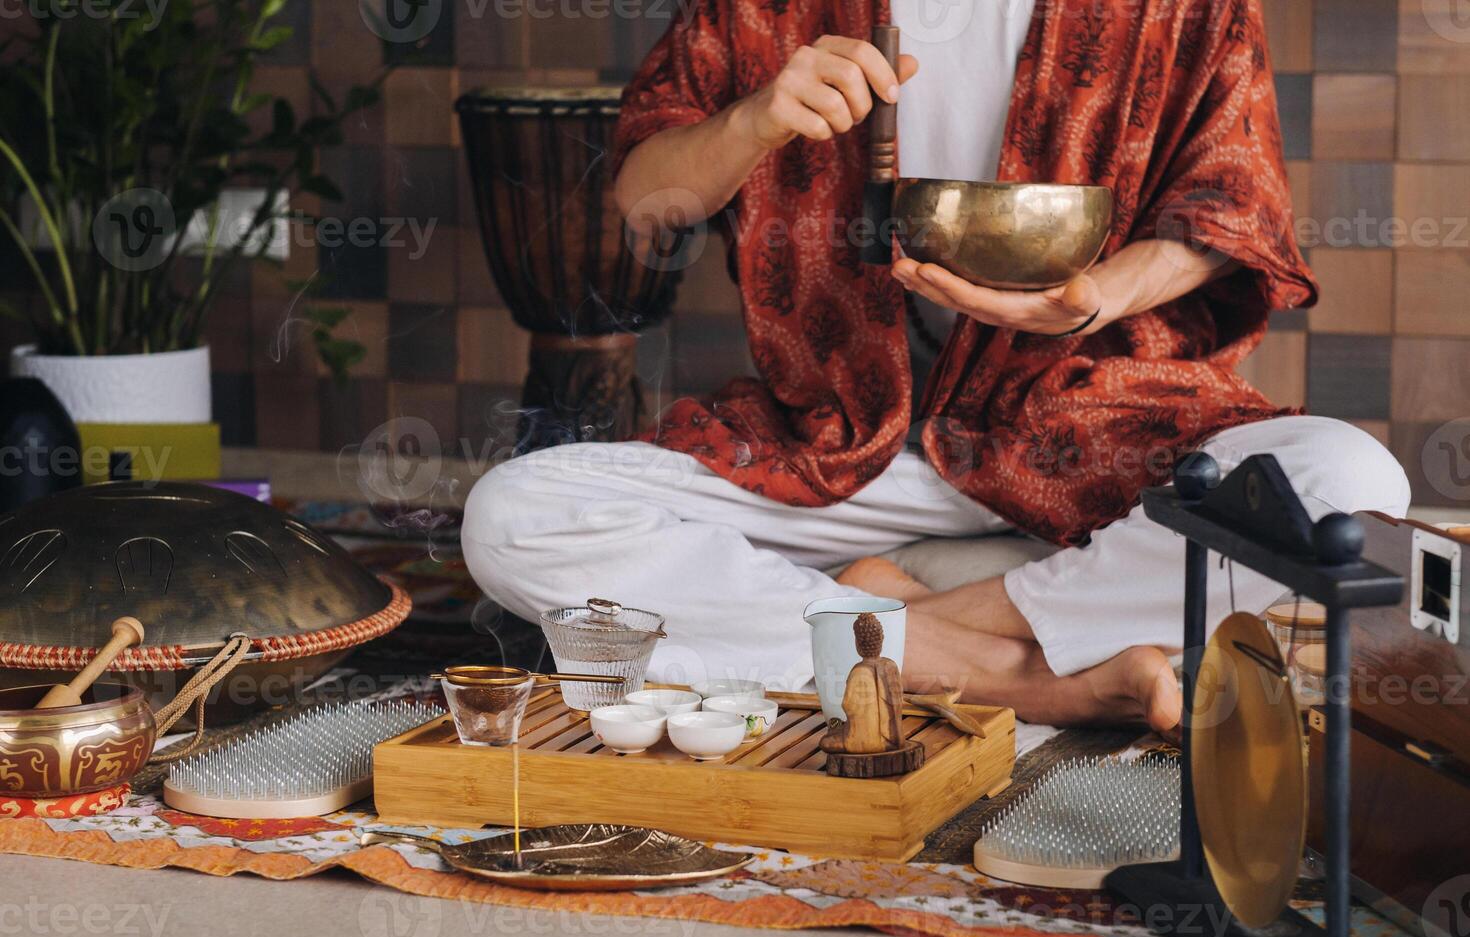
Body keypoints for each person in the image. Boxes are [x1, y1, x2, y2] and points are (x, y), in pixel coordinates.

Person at [462, 0, 1409, 733]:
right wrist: (754, 119)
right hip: (840, 440)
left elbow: (1232, 210)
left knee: (1348, 487)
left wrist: (1099, 295)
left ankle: (898, 614)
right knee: (514, 517)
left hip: (1091, 432)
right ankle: (1024, 673)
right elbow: (644, 199)